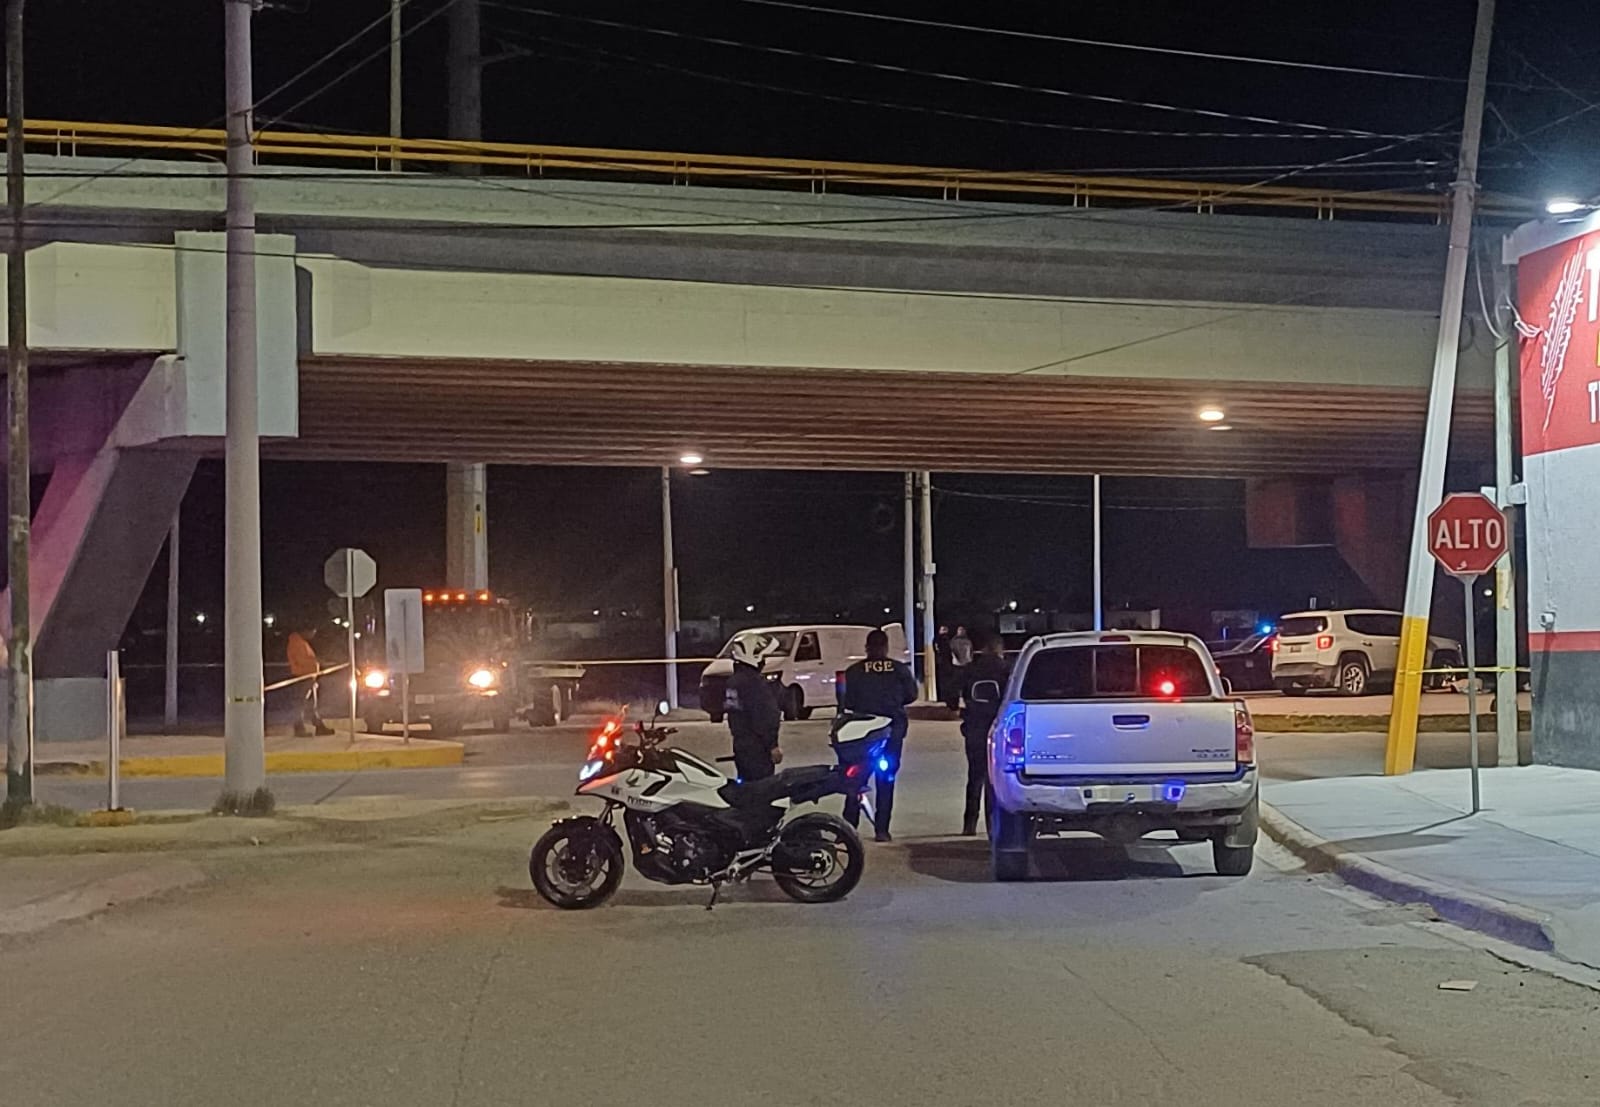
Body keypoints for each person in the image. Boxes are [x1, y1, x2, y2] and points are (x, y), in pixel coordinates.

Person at [840, 628, 919, 842]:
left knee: (854, 779)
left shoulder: (854, 671)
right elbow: (911, 695)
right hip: (891, 731)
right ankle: (882, 830)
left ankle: (848, 829)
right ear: (886, 647)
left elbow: (848, 702)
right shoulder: (899, 669)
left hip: (861, 733)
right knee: (886, 779)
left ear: (867, 648)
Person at [958, 632, 1010, 836]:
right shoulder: (1006, 669)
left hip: (974, 727)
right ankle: (992, 825)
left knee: (974, 776)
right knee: (993, 779)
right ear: (999, 648)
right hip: (997, 729)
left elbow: (953, 695)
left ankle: (969, 824)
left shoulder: (970, 669)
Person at [724, 632, 784, 783]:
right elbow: (765, 716)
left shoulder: (734, 681)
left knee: (746, 787)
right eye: (763, 657)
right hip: (758, 749)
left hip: (741, 746)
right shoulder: (754, 683)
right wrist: (773, 745)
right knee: (762, 789)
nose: (764, 661)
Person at [286, 625, 334, 738]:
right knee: (301, 704)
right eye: (313, 632)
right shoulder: (297, 643)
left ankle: (318, 725)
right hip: (303, 677)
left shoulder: (300, 643)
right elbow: (303, 661)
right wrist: (316, 661)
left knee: (310, 704)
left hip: (309, 677)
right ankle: (300, 728)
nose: (313, 635)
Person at [947, 625, 973, 710]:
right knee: (958, 684)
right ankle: (958, 701)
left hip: (963, 664)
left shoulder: (967, 641)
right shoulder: (955, 641)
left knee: (963, 684)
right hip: (958, 665)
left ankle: (962, 700)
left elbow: (970, 652)